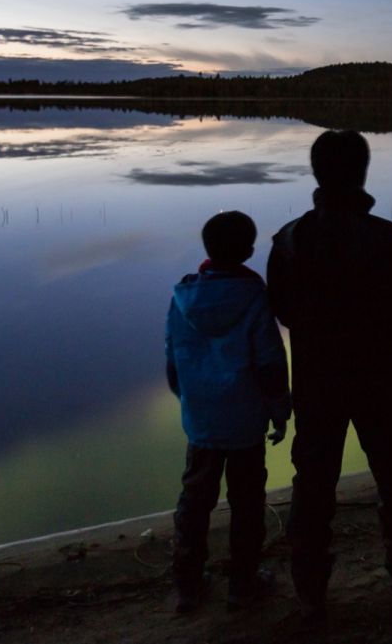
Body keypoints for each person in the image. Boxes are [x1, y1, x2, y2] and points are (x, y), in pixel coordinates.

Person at [267, 130, 392, 622]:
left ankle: (310, 589)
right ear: (363, 171)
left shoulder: (288, 240)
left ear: (317, 173)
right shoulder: (389, 237)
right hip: (379, 378)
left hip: (317, 383)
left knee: (313, 483)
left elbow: (285, 312)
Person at [164, 210, 291, 614]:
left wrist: (188, 399)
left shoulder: (183, 297)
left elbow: (173, 359)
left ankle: (187, 583)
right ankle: (243, 580)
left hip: (201, 421)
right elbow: (270, 361)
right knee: (247, 502)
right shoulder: (255, 297)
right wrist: (280, 409)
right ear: (250, 251)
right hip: (245, 423)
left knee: (195, 500)